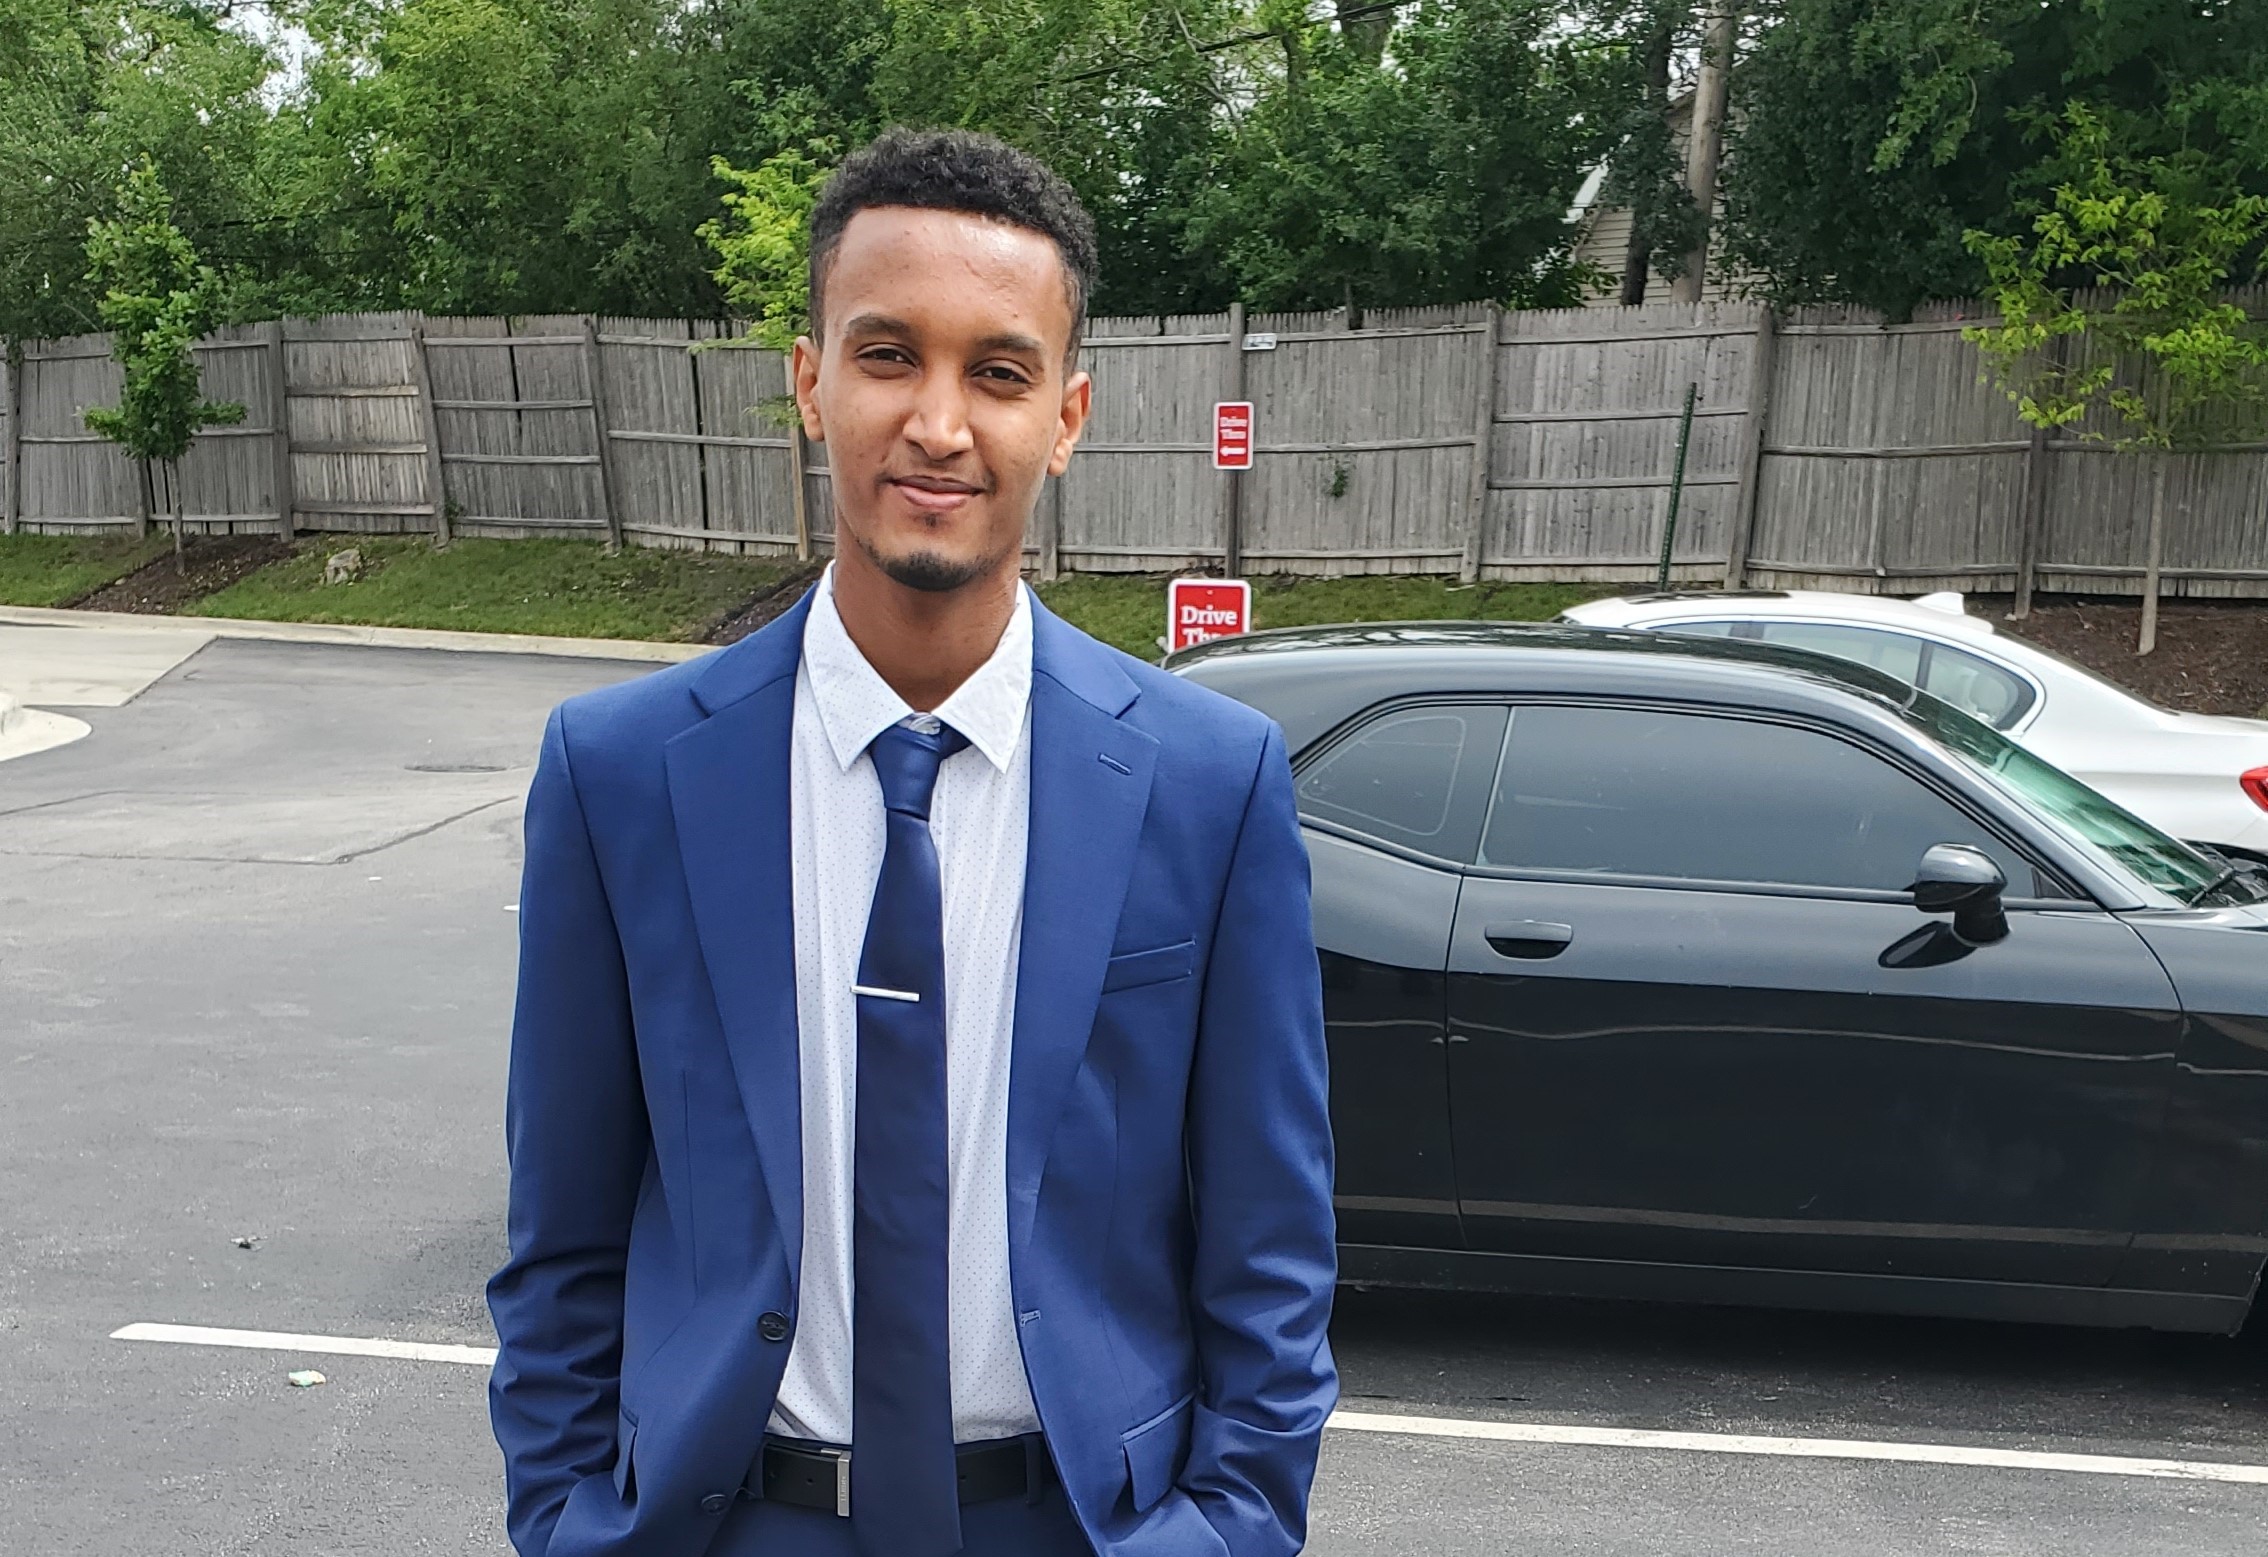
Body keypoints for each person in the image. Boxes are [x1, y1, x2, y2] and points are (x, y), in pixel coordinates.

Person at [486, 127, 1337, 1557]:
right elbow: (559, 1234)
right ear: (810, 382)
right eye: (888, 356)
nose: (939, 423)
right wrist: (571, 1523)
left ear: (1066, 417)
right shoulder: (621, 774)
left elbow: (1273, 1251)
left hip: (1078, 1528)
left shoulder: (1210, 784)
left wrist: (1225, 1531)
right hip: (732, 1525)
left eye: (997, 373)